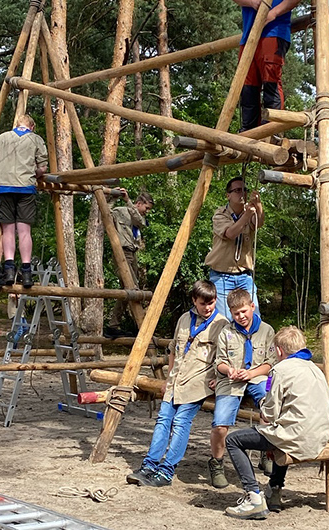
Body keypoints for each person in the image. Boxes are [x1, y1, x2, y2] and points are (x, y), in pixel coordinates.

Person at [126, 280, 228, 488]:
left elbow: (224, 357)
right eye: (203, 303)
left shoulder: (222, 324)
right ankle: (149, 464)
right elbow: (174, 349)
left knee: (181, 422)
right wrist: (168, 377)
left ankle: (166, 471)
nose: (208, 307)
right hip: (176, 382)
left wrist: (217, 380)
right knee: (163, 420)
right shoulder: (184, 319)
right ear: (194, 301)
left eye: (212, 302)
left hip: (197, 384)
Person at [223, 325, 329, 519]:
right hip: (320, 435)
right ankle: (274, 488)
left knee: (234, 440)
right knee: (281, 433)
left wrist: (262, 403)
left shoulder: (279, 370)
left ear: (279, 351)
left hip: (296, 437)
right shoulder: (316, 369)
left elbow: (270, 413)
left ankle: (253, 497)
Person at [230, 0, 307, 133]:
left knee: (271, 82)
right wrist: (255, 3)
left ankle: (270, 131)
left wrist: (272, 14)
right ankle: (248, 133)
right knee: (247, 86)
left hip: (274, 31)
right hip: (249, 34)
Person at [207, 289, 276, 489]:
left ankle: (266, 453)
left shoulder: (266, 330)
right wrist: (228, 370)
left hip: (258, 377)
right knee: (220, 424)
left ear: (252, 307)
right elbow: (218, 362)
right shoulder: (226, 333)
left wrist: (252, 374)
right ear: (230, 313)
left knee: (268, 406)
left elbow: (270, 363)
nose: (241, 316)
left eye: (244, 311)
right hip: (231, 381)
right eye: (236, 314)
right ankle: (217, 463)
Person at [0, 114, 48, 289]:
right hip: (25, 188)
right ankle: (27, 270)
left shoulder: (2, 137)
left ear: (16, 125)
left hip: (3, 187)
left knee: (7, 230)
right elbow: (42, 167)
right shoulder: (36, 139)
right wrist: (34, 173)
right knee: (24, 231)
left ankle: (8, 269)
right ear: (32, 126)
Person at [204, 177, 263, 321]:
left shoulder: (249, 212)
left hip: (244, 275)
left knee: (253, 318)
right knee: (225, 320)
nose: (242, 193)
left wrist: (258, 204)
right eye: (237, 190)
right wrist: (247, 215)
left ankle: (253, 343)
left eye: (244, 190)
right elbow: (230, 233)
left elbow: (258, 223)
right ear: (228, 195)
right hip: (222, 276)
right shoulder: (220, 214)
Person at [104, 188, 155, 339]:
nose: (147, 211)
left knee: (129, 289)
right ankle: (135, 325)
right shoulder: (120, 211)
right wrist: (113, 198)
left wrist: (128, 201)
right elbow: (105, 214)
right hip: (122, 252)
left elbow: (140, 221)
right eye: (146, 208)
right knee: (132, 287)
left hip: (133, 253)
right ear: (139, 203)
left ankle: (113, 325)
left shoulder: (137, 217)